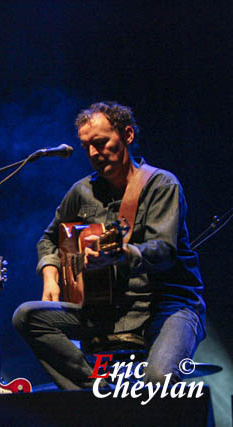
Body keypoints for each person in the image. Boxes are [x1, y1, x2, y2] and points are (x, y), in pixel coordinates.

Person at [12, 102, 205, 389]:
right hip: (108, 309)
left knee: (158, 382)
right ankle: (97, 390)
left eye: (100, 143)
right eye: (86, 146)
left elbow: (163, 252)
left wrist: (120, 255)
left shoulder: (162, 185)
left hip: (167, 306)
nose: (92, 153)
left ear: (127, 135)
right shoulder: (82, 192)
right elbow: (49, 238)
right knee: (27, 317)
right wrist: (51, 275)